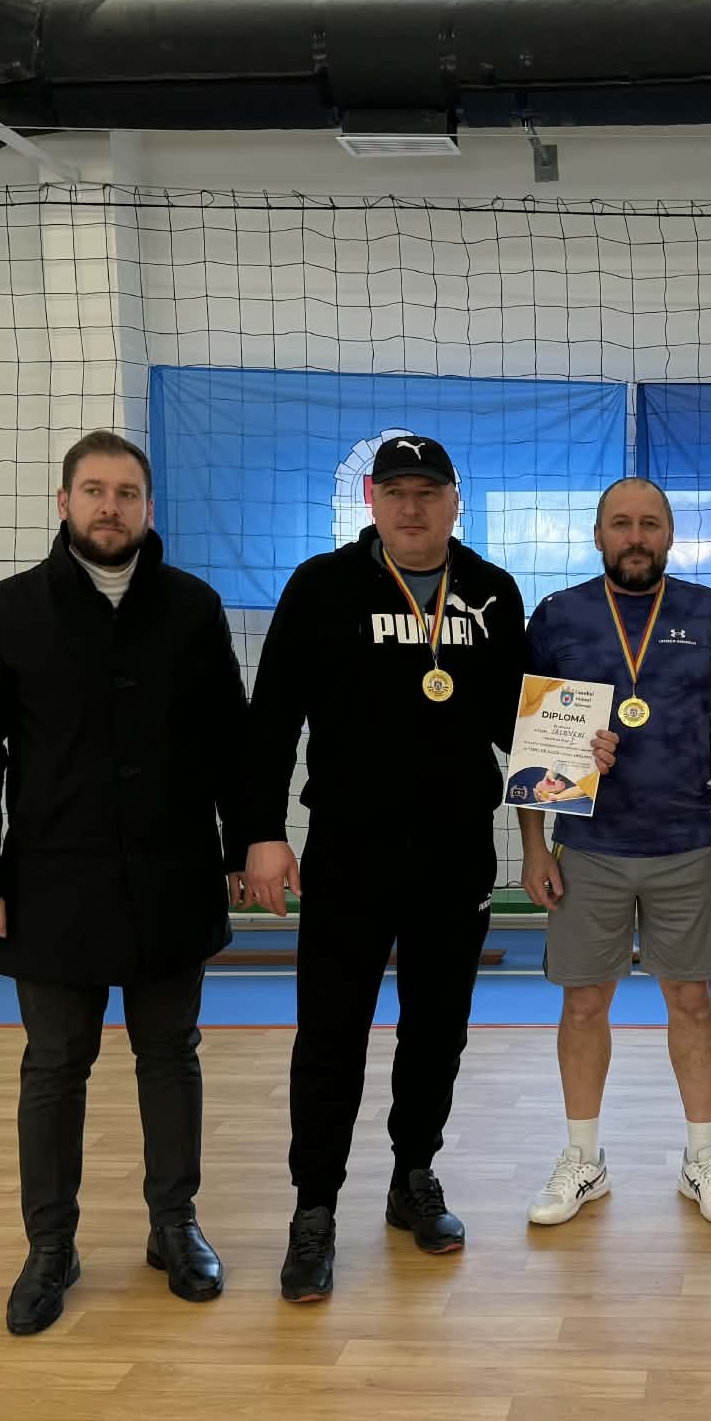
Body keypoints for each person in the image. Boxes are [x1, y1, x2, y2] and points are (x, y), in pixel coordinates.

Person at [241, 435, 568, 1295]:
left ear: (456, 499)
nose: (412, 508)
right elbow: (271, 719)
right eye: (396, 492)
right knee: (331, 1034)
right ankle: (314, 1208)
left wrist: (573, 755)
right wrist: (260, 834)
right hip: (348, 849)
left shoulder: (493, 592)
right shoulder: (322, 586)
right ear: (373, 502)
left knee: (436, 1030)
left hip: (456, 851)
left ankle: (413, 1175)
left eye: (428, 492)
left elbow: (519, 722)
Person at [0, 429, 248, 1337]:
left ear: (148, 507)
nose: (110, 507)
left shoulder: (192, 607)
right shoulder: (4, 611)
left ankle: (173, 1225)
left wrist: (244, 848)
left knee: (171, 1055)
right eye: (94, 490)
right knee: (54, 1065)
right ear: (65, 502)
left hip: (172, 876)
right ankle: (51, 1246)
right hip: (50, 883)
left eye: (127, 493)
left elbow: (228, 742)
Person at [518, 477, 711, 1228]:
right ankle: (583, 1159)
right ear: (598, 535)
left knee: (691, 1000)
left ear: (670, 534)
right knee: (584, 1002)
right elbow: (534, 739)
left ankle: (701, 1158)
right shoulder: (558, 615)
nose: (635, 536)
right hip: (587, 847)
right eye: (621, 523)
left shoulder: (707, 612)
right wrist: (534, 847)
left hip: (685, 844)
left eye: (649, 523)